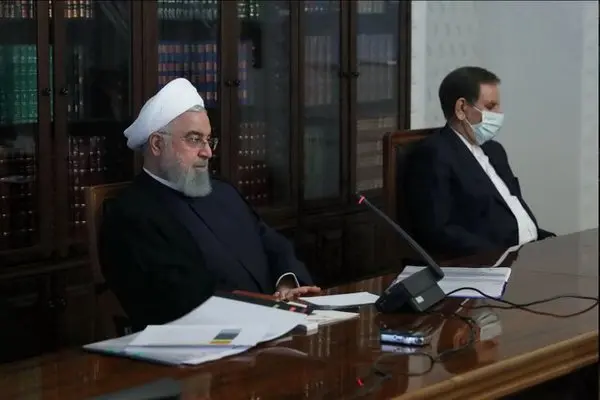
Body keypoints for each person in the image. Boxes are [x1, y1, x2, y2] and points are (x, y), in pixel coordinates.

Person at [99, 78, 320, 331]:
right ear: (158, 144)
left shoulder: (223, 192)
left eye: (208, 140)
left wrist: (287, 284)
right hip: (208, 345)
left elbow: (273, 243)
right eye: (194, 139)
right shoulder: (131, 215)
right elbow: (178, 301)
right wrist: (268, 309)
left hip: (272, 327)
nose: (207, 152)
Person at [405, 66, 555, 258]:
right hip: (489, 262)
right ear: (461, 108)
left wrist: (544, 239)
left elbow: (512, 210)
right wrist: (498, 255)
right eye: (491, 107)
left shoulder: (495, 150)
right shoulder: (434, 154)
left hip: (529, 253)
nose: (499, 114)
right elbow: (437, 231)